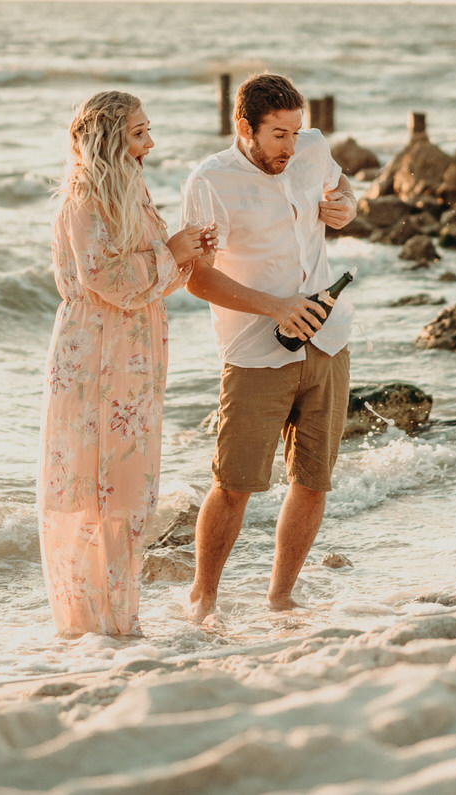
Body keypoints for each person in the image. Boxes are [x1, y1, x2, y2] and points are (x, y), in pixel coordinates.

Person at [181, 73, 358, 618]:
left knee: (313, 481)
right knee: (234, 484)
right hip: (255, 353)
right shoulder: (210, 181)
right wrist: (277, 306)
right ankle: (203, 599)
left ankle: (281, 597)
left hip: (328, 341)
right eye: (278, 134)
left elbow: (342, 185)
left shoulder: (312, 149)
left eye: (295, 131)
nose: (291, 145)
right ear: (245, 127)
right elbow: (196, 278)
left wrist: (346, 205)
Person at [39, 90, 213, 637]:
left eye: (147, 130)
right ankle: (90, 623)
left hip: (136, 349)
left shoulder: (131, 189)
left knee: (129, 484)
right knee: (91, 485)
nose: (150, 143)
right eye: (139, 133)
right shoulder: (84, 198)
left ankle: (119, 616)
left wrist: (190, 252)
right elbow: (107, 280)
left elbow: (151, 273)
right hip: (95, 354)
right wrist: (173, 252)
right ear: (109, 139)